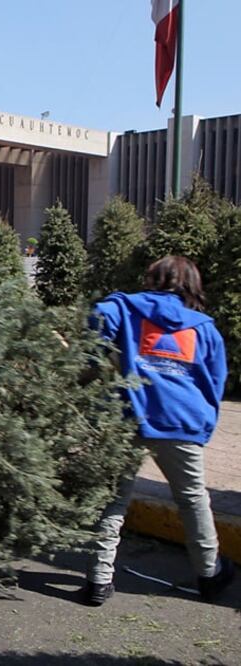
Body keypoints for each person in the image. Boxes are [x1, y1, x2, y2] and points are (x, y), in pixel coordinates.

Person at [82, 255, 233, 606]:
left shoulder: (126, 307)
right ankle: (209, 575)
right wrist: (203, 424)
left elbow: (98, 319)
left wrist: (92, 363)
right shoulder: (203, 327)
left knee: (114, 500)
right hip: (181, 422)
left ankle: (98, 581)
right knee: (193, 500)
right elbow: (215, 381)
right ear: (192, 284)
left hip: (131, 417)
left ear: (153, 279)